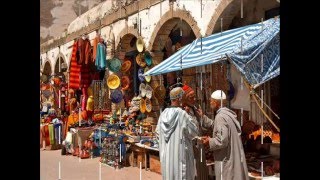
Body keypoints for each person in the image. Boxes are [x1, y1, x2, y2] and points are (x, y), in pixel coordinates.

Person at [198, 90, 249, 180]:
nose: (210, 102)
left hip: (227, 158)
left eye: (211, 100)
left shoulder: (221, 117)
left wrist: (208, 141)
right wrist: (203, 117)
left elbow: (222, 140)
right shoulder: (228, 115)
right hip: (232, 155)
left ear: (216, 102)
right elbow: (218, 127)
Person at [156, 87, 199, 180]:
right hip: (180, 159)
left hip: (167, 160)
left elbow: (157, 135)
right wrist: (190, 116)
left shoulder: (162, 114)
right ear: (179, 99)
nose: (184, 99)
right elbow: (195, 132)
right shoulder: (182, 114)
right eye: (183, 97)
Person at [181, 84, 208, 180]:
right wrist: (186, 114)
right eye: (191, 97)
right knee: (193, 170)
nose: (194, 99)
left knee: (201, 168)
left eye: (194, 97)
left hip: (199, 145)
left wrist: (202, 116)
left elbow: (201, 126)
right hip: (190, 147)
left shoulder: (196, 108)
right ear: (185, 99)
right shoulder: (181, 111)